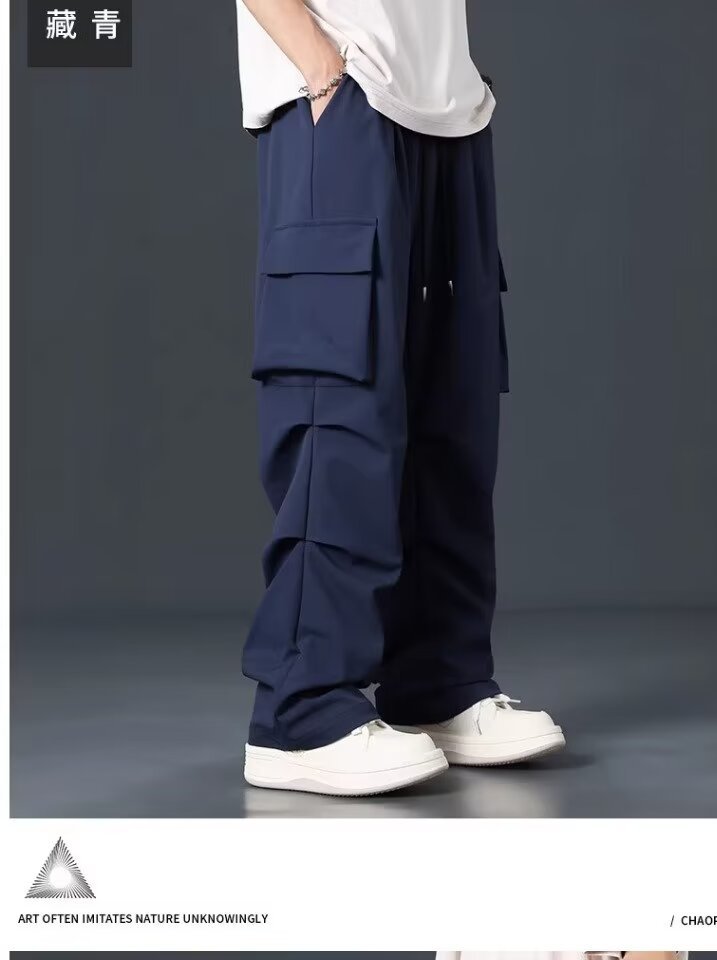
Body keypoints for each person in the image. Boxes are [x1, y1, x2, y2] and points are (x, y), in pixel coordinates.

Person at [237, 0, 566, 796]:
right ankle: (301, 710)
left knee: (452, 403)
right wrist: (319, 64)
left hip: (448, 107)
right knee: (339, 404)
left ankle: (438, 681)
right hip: (343, 95)